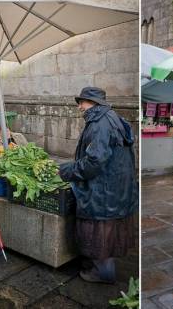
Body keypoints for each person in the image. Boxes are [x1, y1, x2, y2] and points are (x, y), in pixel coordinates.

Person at [59, 87, 137, 284]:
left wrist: (67, 171)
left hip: (104, 189)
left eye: (82, 102)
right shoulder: (111, 117)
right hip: (114, 187)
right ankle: (101, 267)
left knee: (100, 229)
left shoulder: (99, 124)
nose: (79, 107)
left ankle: (102, 273)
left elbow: (94, 162)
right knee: (106, 229)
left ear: (93, 103)